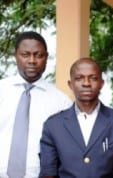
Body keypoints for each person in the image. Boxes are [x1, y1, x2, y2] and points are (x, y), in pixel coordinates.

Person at [39, 58, 113, 178]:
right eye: (79, 78)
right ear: (70, 84)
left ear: (102, 83)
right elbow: (48, 174)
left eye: (93, 78)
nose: (86, 83)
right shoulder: (53, 126)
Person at [0, 31, 72, 178]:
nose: (32, 60)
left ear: (46, 57)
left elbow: (67, 149)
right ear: (16, 56)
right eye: (25, 54)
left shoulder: (61, 102)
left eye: (38, 55)